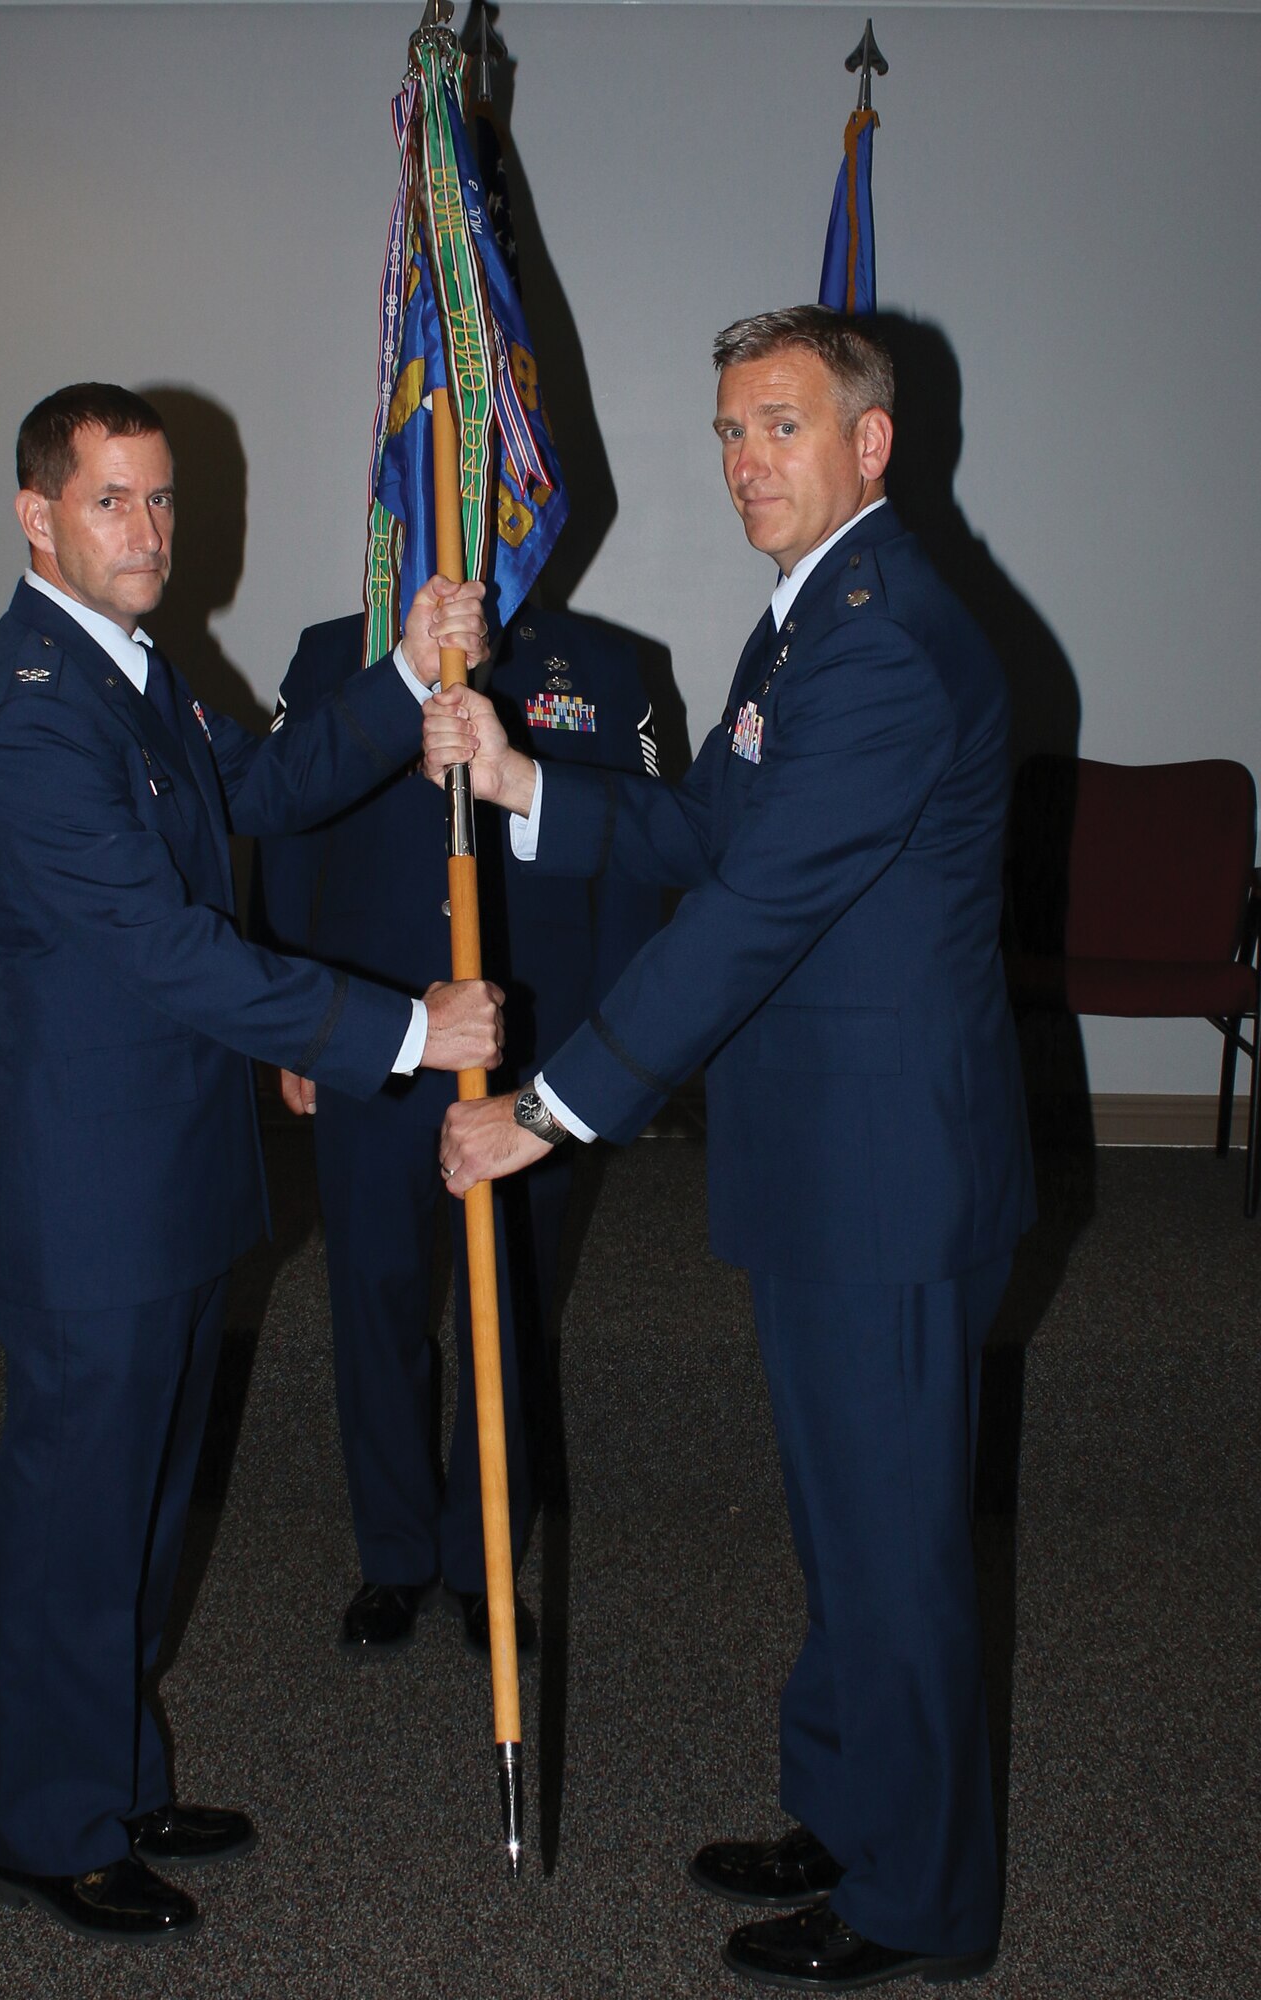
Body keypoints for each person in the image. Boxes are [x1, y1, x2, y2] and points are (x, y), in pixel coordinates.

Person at [424, 309, 1035, 1993]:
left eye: (779, 425)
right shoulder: (810, 622)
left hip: (886, 1182)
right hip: (821, 1163)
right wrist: (519, 775)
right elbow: (705, 823)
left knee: (894, 1549)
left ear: (871, 442)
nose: (742, 461)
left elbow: (752, 911)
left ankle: (915, 1904)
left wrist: (553, 1110)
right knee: (847, 1528)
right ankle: (847, 1815)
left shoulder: (886, 638)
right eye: (727, 430)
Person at [0, 383, 501, 1947]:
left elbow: (250, 791)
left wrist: (399, 677)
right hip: (88, 1198)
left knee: (139, 1510)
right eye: (112, 500)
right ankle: (47, 1833)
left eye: (162, 499)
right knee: (75, 1531)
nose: (149, 531)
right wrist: (401, 1030)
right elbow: (169, 952)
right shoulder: (35, 710)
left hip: (163, 1182)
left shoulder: (128, 673)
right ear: (36, 515)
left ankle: (110, 1775)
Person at [257, 608, 661, 1653]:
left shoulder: (608, 667)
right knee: (374, 1300)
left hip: (533, 1057)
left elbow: (636, 869)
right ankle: (392, 1554)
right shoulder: (333, 654)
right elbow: (288, 830)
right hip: (371, 1038)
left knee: (508, 1316)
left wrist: (601, 1059)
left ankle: (484, 1559)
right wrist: (298, 1027)